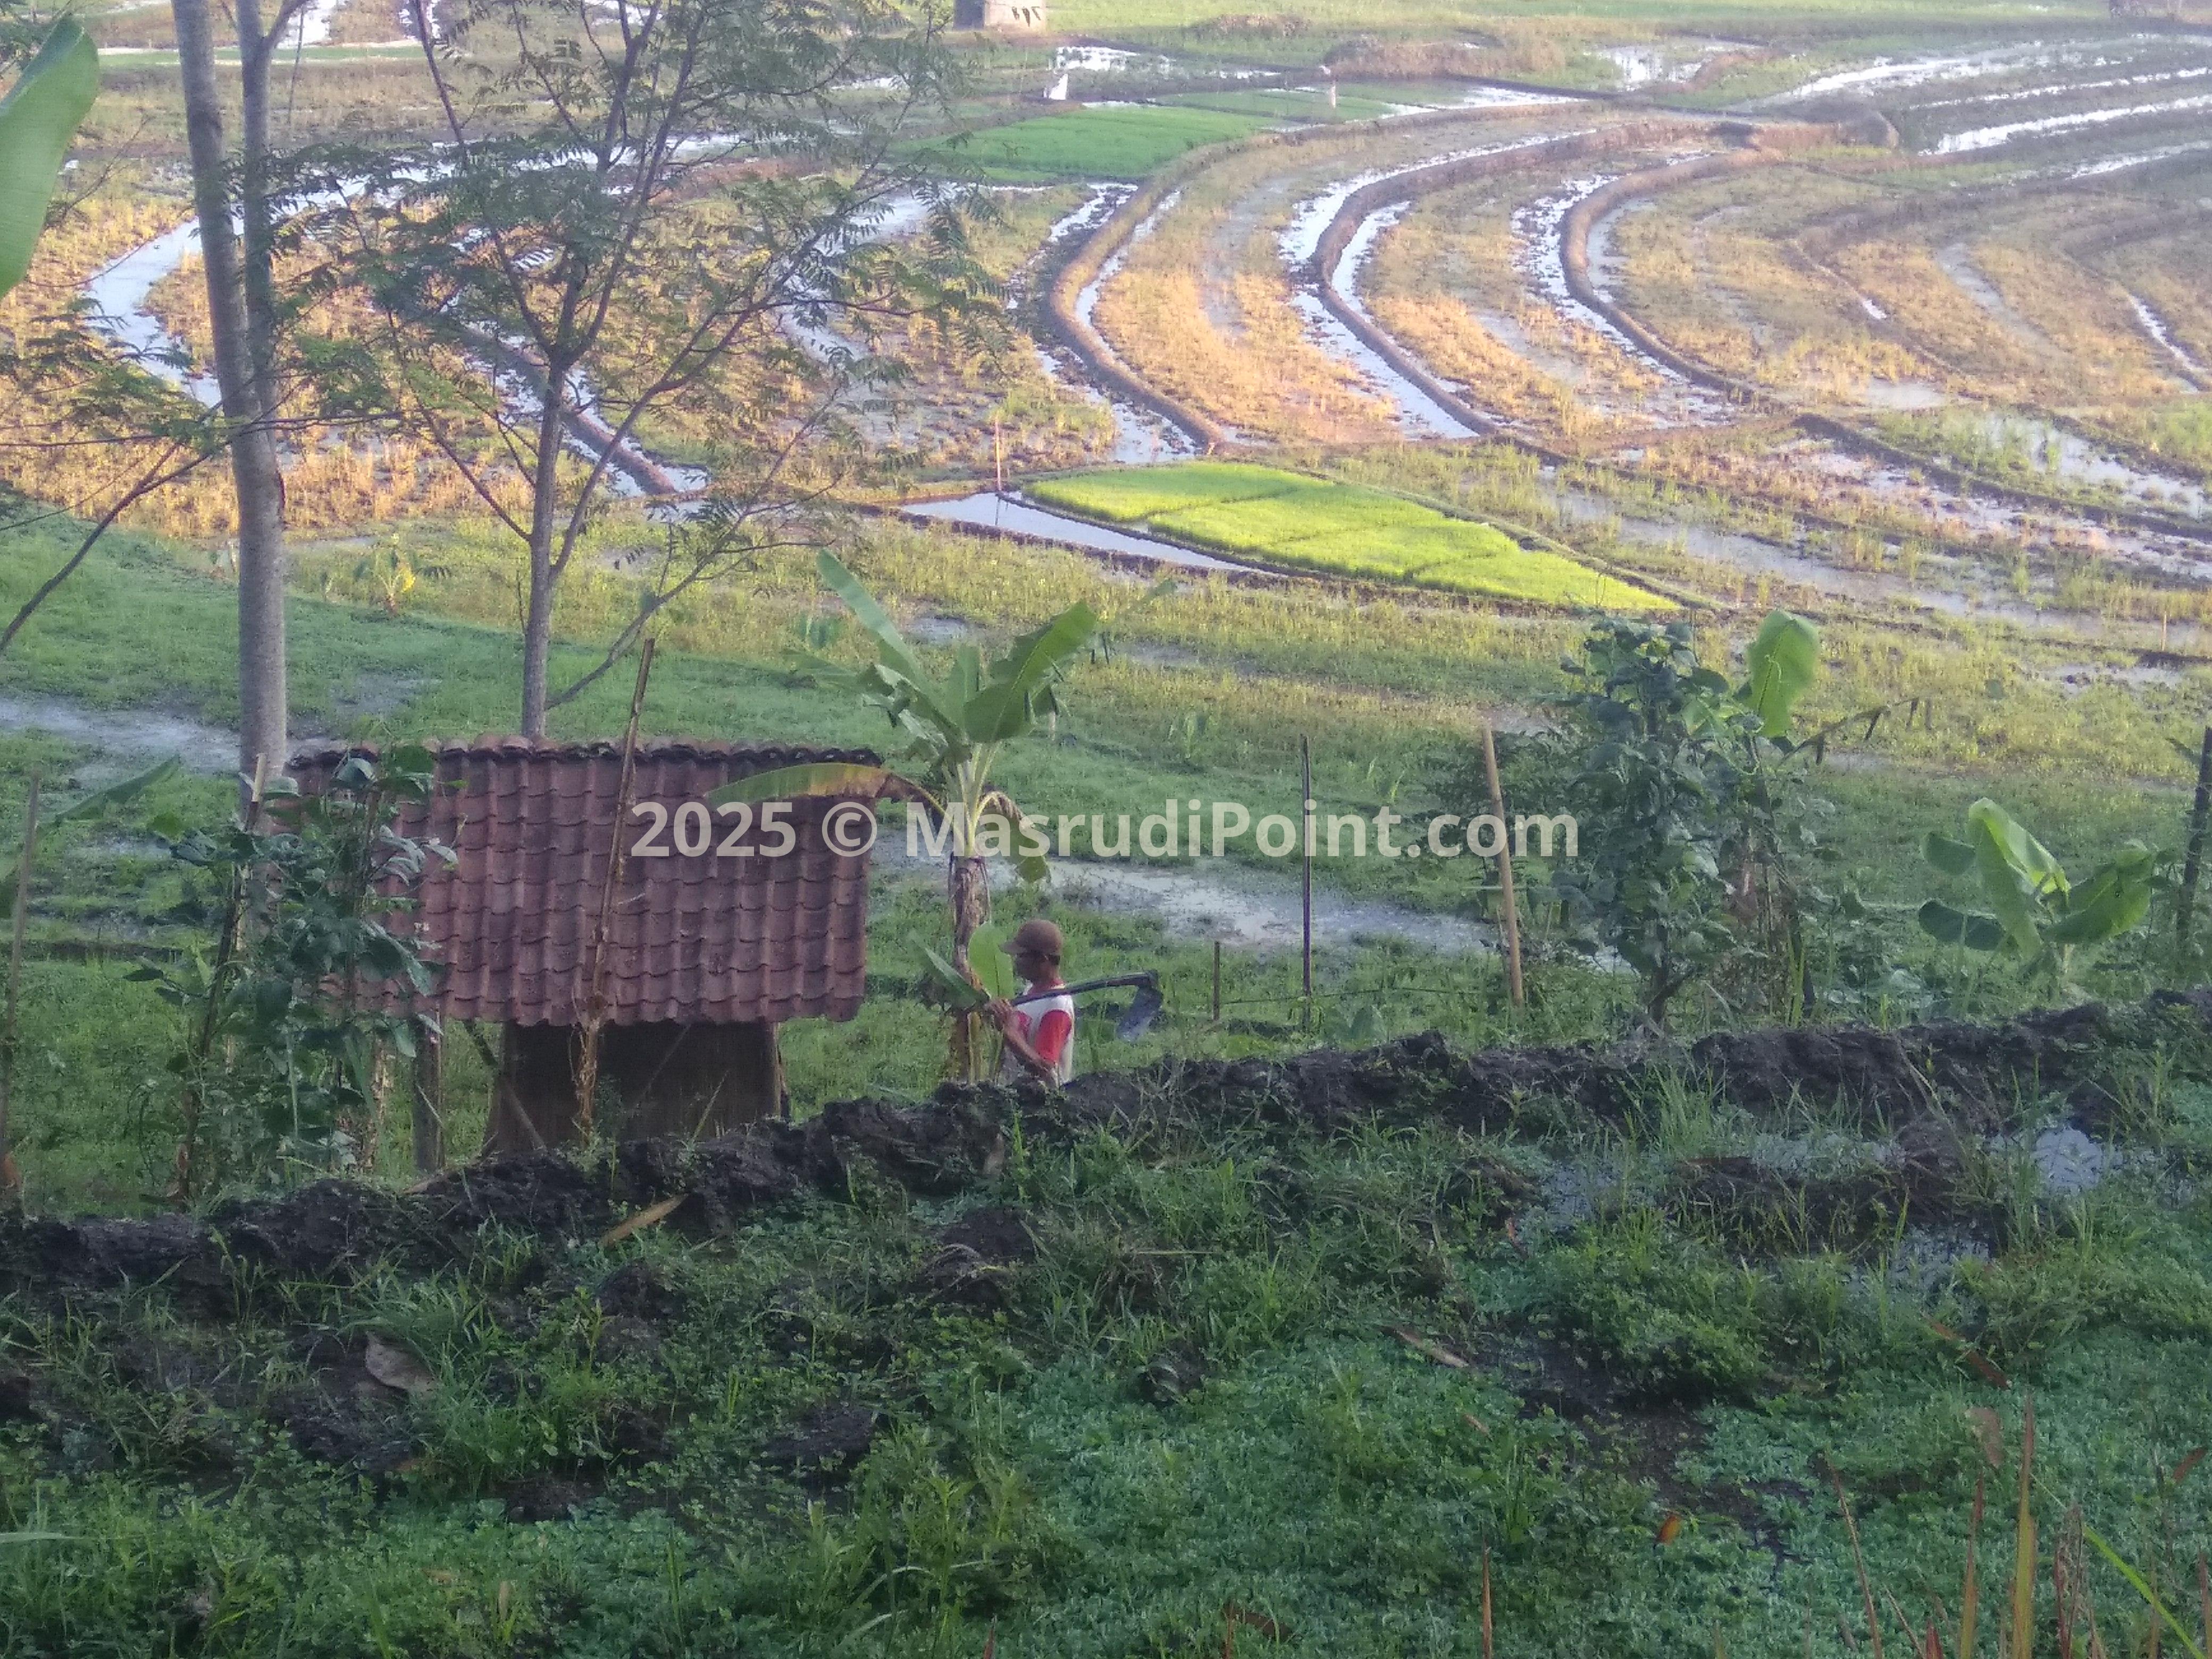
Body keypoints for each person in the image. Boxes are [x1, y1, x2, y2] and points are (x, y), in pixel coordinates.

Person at [988, 918, 1076, 1086]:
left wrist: (1009, 1032)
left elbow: (1044, 1069)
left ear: (1043, 960)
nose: (1016, 962)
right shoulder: (1031, 990)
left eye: (1022, 956)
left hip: (1041, 1103)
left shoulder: (1057, 1007)